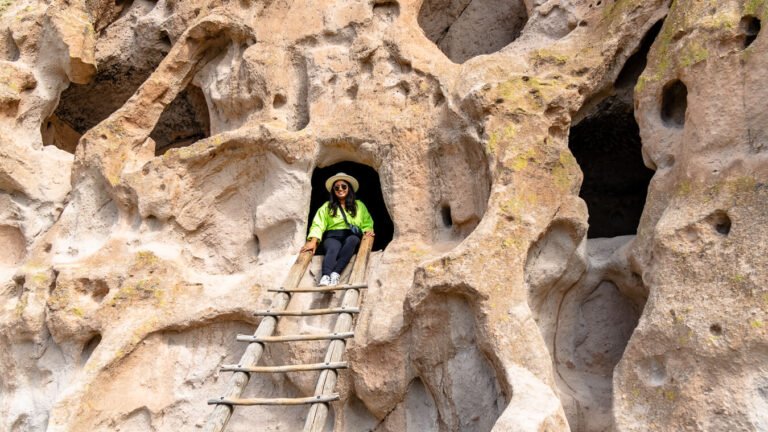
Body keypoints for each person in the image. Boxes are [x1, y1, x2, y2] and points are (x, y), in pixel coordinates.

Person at [302, 173, 375, 286]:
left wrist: (368, 229)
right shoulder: (327, 206)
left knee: (353, 241)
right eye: (336, 187)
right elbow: (318, 224)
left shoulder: (359, 205)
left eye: (344, 186)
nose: (340, 189)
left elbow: (367, 221)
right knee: (333, 248)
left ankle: (335, 274)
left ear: (349, 188)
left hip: (351, 235)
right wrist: (313, 241)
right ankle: (326, 276)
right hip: (333, 236)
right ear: (333, 191)